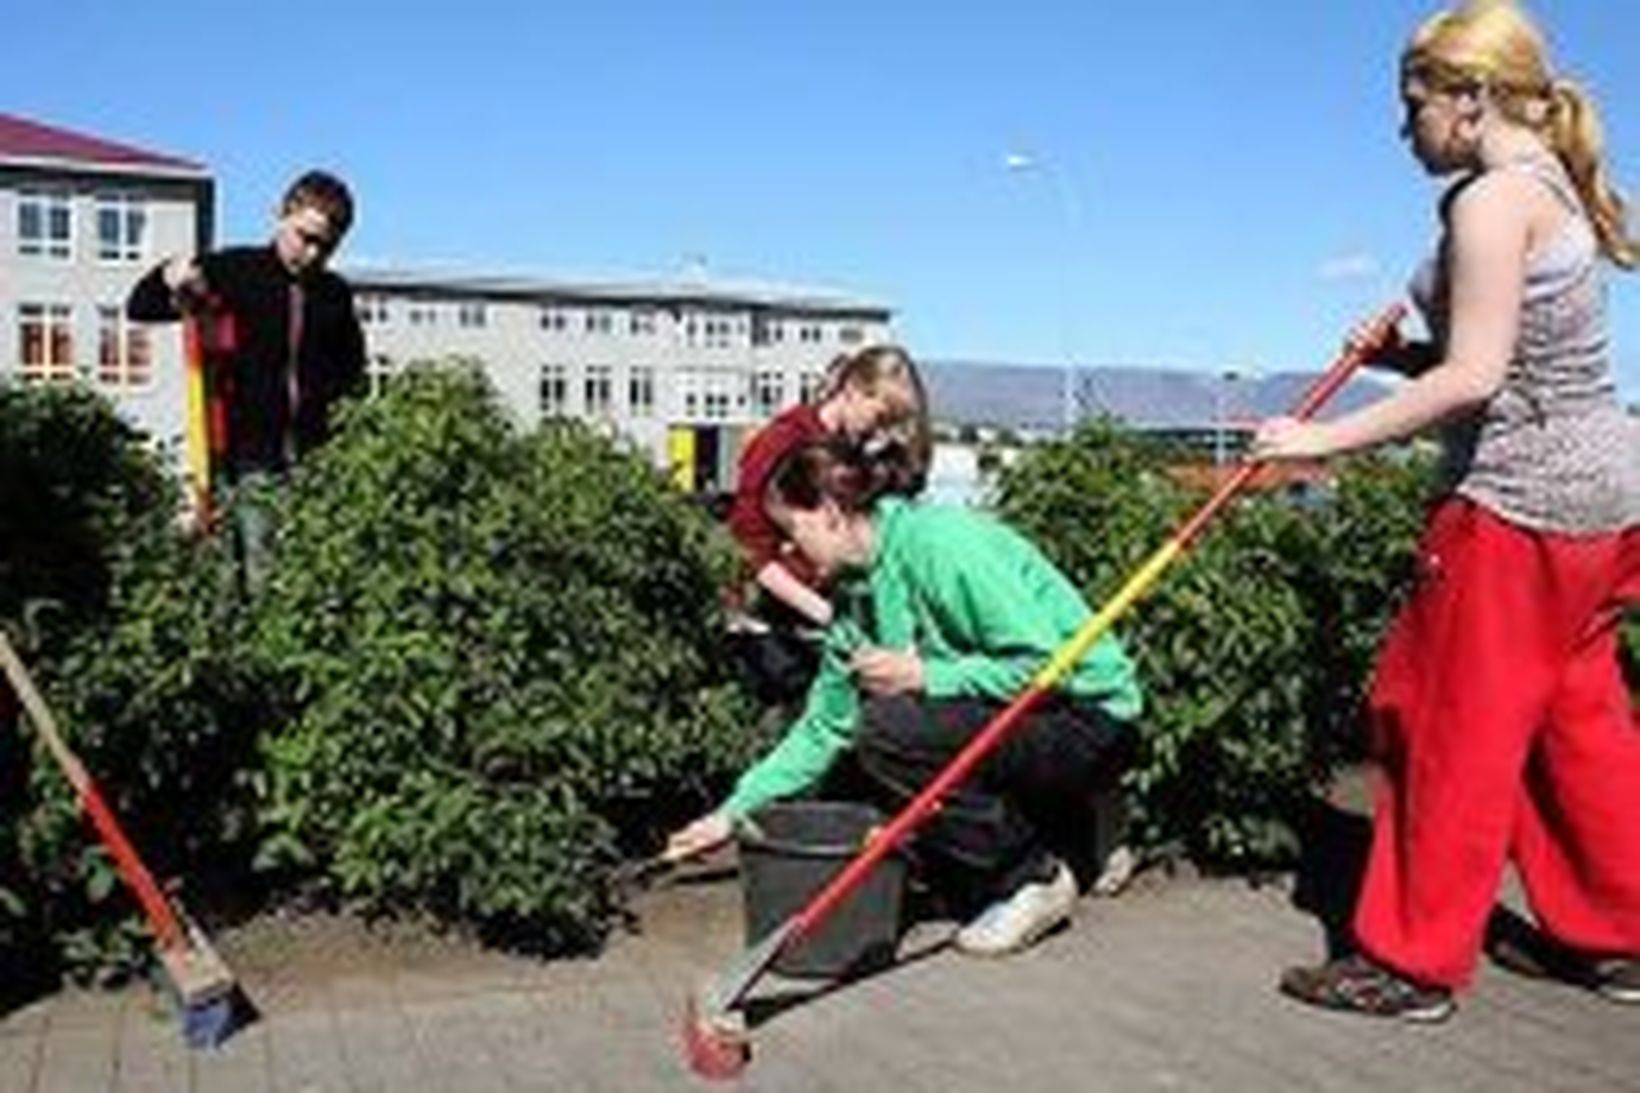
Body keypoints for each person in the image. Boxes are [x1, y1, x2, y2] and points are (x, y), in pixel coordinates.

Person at [1254, 0, 1640, 1022]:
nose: (1403, 128)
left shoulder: (1486, 201)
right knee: (1574, 723)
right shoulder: (1547, 187)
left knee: (1439, 724)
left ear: (1467, 101)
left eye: (1412, 103)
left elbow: (1474, 380)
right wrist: (1399, 360)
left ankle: (1410, 963)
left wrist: (1314, 442)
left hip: (1516, 506)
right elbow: (1507, 363)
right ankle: (1619, 935)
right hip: (1604, 503)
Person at [669, 440, 1143, 956]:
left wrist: (924, 674)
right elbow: (824, 728)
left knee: (891, 732)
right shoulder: (854, 601)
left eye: (791, 532)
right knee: (869, 757)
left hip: (1091, 715)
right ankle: (1077, 823)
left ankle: (1031, 880)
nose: (786, 552)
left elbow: (1048, 668)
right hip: (1015, 719)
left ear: (830, 513)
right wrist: (731, 813)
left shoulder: (943, 546)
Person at [128, 170, 367, 583]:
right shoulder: (235, 271)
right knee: (259, 575)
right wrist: (170, 273)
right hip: (247, 460)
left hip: (317, 463)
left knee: (317, 575)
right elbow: (142, 305)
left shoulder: (334, 295)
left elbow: (351, 372)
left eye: (326, 247)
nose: (311, 253)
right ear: (280, 215)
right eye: (304, 237)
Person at [724, 344, 930, 706]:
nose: (881, 433)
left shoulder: (859, 451)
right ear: (852, 390)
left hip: (839, 615)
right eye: (880, 418)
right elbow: (750, 551)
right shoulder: (781, 442)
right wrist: (827, 616)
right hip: (778, 624)